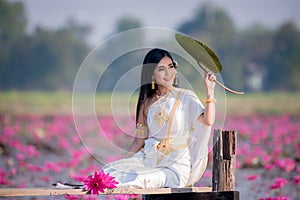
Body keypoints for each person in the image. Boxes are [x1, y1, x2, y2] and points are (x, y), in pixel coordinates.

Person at [103, 48, 216, 188]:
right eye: (161, 69)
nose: (169, 73)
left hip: (175, 166)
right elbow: (139, 141)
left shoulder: (185, 97)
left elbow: (208, 120)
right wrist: (124, 162)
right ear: (151, 74)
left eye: (171, 67)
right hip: (149, 159)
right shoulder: (146, 104)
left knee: (141, 179)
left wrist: (210, 91)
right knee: (108, 172)